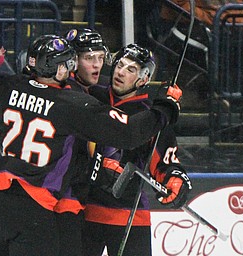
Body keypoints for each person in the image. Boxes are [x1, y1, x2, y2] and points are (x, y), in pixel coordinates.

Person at [0, 34, 183, 256]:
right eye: (84, 58)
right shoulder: (71, 102)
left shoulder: (9, 86)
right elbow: (128, 132)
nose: (96, 65)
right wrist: (167, 108)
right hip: (40, 208)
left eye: (101, 58)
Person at [82, 44, 192, 256]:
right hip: (85, 211)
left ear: (143, 80)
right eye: (120, 65)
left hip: (129, 216)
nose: (121, 72)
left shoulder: (151, 115)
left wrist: (174, 178)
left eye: (131, 70)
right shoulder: (92, 96)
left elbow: (165, 164)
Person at [65, 28, 111, 92]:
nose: (97, 65)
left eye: (100, 57)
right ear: (72, 61)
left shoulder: (107, 87)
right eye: (89, 58)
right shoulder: (64, 92)